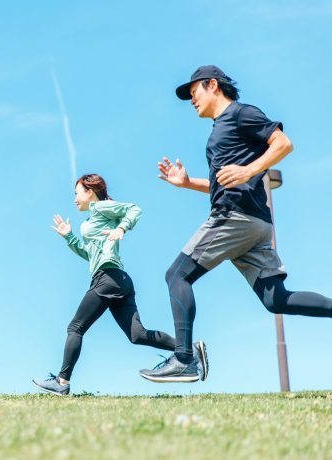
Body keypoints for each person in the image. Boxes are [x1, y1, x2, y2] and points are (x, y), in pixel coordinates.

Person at [140, 65, 332, 383]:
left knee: (176, 275)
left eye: (193, 93)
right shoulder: (219, 130)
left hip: (235, 217)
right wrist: (188, 183)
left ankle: (185, 359)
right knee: (276, 300)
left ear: (212, 85)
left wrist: (248, 171)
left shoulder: (241, 114)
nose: (191, 101)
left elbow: (283, 143)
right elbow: (223, 182)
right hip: (255, 223)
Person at [33, 174, 208, 395]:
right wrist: (69, 237)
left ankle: (62, 382)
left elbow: (134, 209)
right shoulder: (90, 221)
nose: (74, 199)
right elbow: (90, 255)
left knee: (75, 328)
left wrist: (122, 228)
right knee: (138, 335)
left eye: (76, 193)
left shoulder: (100, 208)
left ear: (90, 192)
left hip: (107, 278)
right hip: (118, 280)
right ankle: (188, 350)